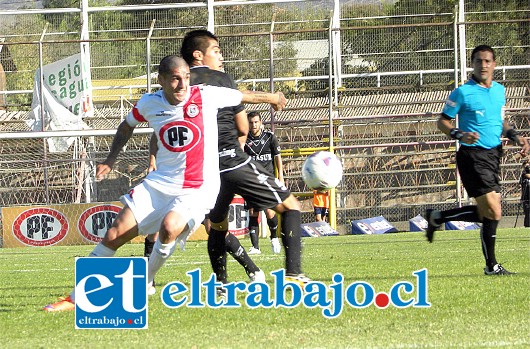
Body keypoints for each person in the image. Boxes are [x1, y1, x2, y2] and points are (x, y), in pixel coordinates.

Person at [44, 55, 265, 311]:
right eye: (175, 79)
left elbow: (241, 95)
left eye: (185, 77)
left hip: (198, 186)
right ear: (161, 80)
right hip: (161, 183)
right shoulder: (149, 103)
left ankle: (145, 282)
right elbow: (126, 126)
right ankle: (75, 297)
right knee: (114, 234)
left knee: (170, 227)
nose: (182, 84)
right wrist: (111, 159)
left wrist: (274, 99)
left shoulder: (205, 95)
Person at [180, 29, 309, 286]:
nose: (221, 55)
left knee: (216, 225)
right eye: (216, 50)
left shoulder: (178, 83)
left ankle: (221, 284)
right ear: (198, 55)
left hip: (200, 169)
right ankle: (294, 274)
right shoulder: (221, 79)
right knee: (290, 206)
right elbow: (242, 128)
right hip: (231, 160)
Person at [424, 45, 529, 276]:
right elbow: (442, 122)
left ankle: (438, 216)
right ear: (472, 64)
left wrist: (515, 136)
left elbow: (501, 120)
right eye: (479, 61)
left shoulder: (500, 91)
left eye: (487, 61)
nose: (483, 65)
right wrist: (460, 134)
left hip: (494, 155)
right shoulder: (462, 92)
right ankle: (491, 266)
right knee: (494, 211)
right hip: (472, 156)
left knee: (488, 214)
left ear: (494, 64)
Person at [244, 111, 283, 255]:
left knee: (269, 211)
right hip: (251, 181)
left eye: (256, 122)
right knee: (253, 212)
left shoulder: (270, 137)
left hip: (268, 180)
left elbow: (278, 158)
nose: (254, 125)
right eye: (251, 122)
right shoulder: (244, 139)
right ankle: (255, 247)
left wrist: (281, 177)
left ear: (261, 123)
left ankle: (274, 238)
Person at [519, 161, 530, 227]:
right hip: (526, 197)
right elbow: (527, 175)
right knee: (527, 212)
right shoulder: (523, 175)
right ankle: (527, 225)